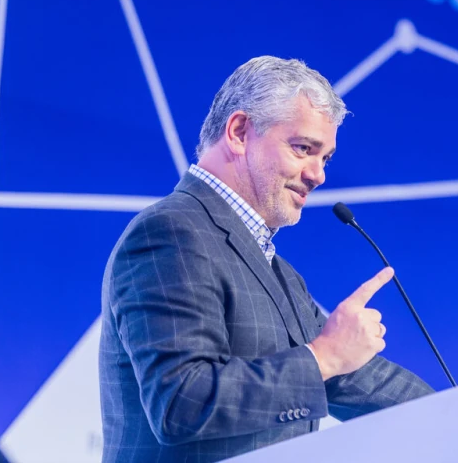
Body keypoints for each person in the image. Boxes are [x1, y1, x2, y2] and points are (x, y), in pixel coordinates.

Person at [99, 56, 434, 462]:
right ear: (240, 132)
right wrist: (323, 357)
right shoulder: (172, 231)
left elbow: (355, 378)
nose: (318, 175)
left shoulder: (281, 275)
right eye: (303, 149)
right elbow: (182, 400)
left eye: (325, 159)